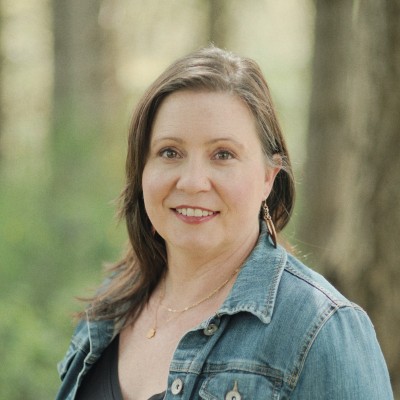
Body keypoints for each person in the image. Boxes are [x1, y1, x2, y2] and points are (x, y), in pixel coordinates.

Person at [56, 46, 393, 400]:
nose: (192, 181)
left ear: (268, 177)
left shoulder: (321, 328)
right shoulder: (109, 308)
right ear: (142, 170)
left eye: (223, 155)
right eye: (170, 152)